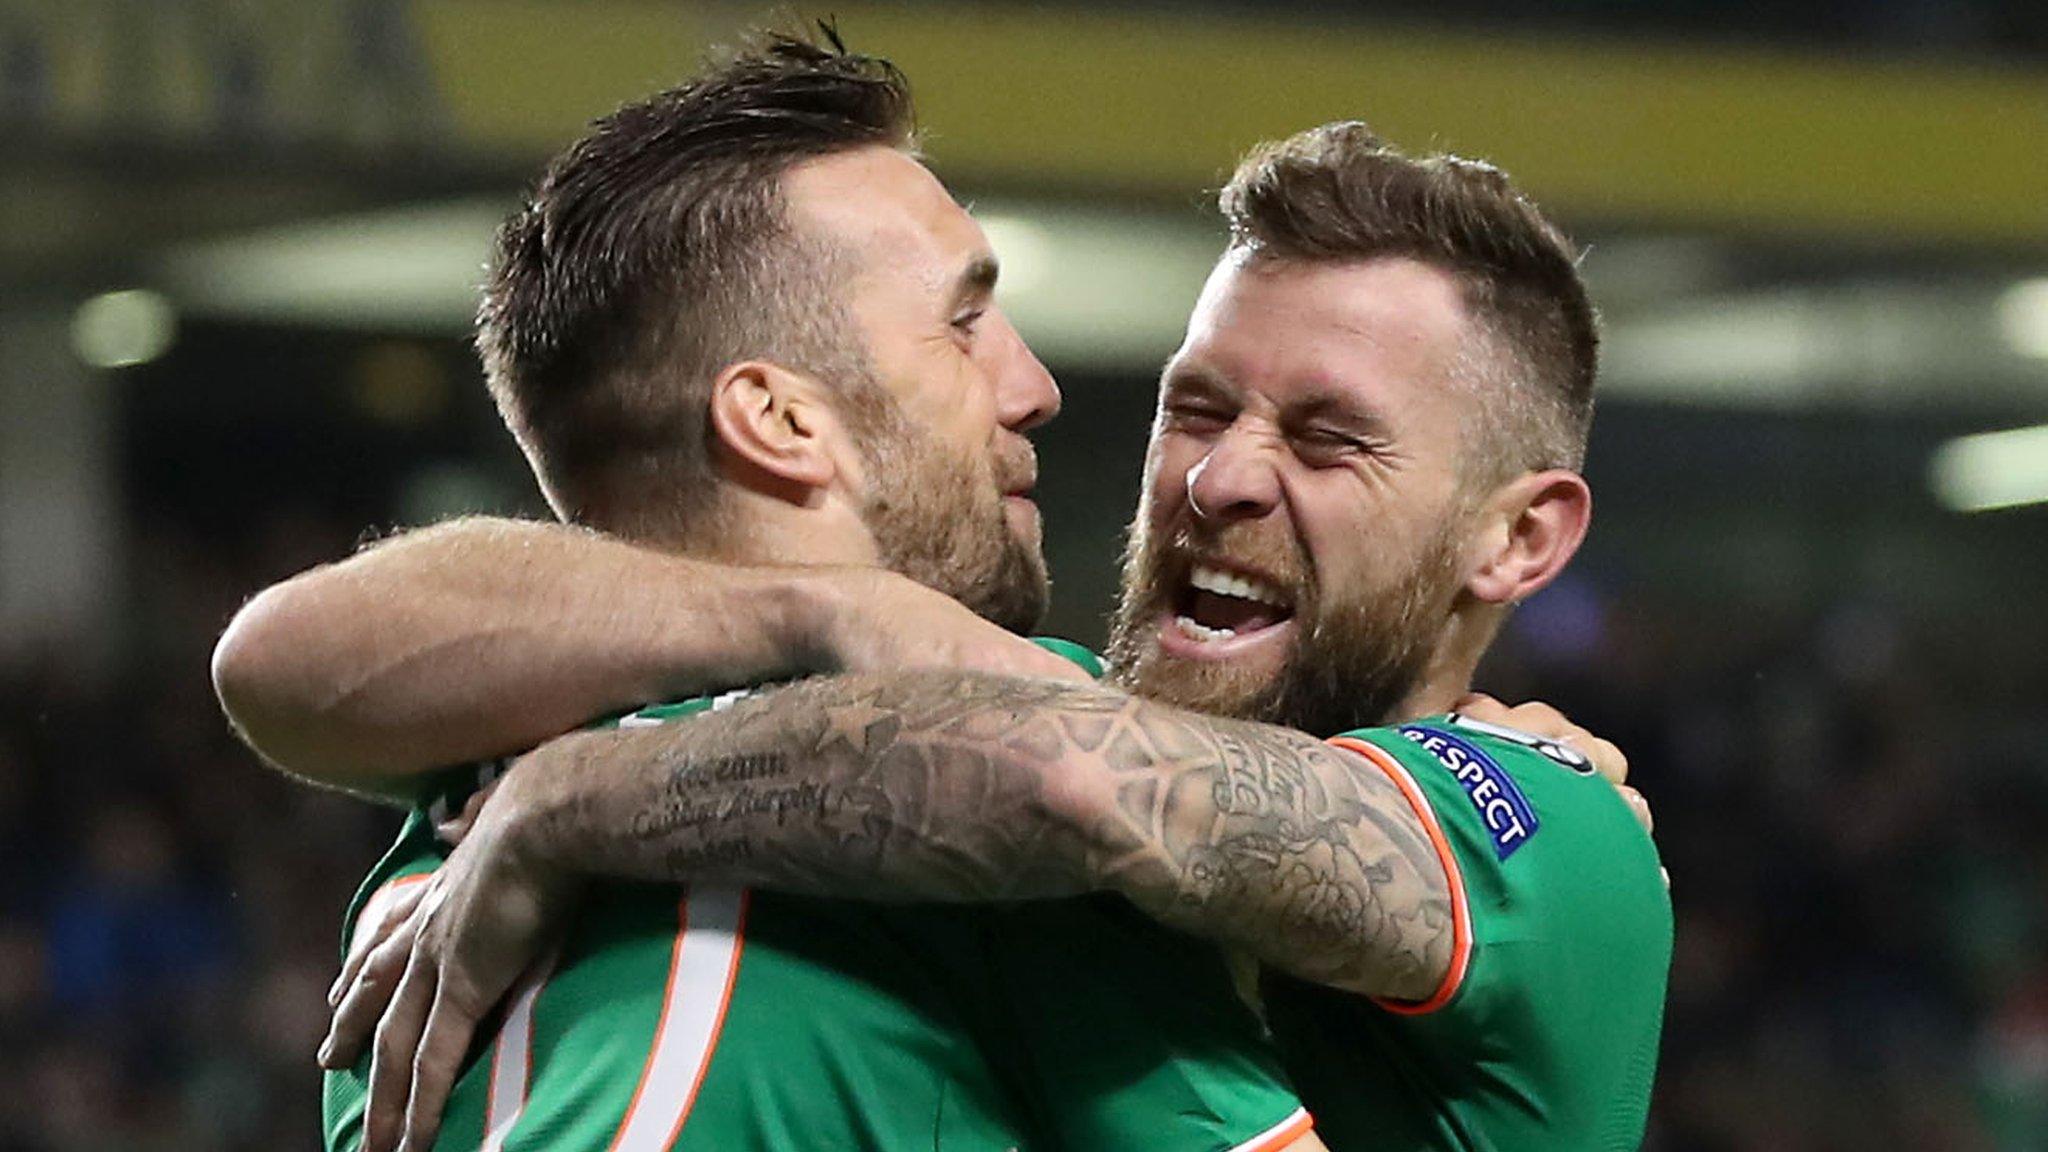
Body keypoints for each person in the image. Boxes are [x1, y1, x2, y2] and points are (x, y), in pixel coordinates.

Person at [215, 29, 1669, 1152]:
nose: (1213, 479)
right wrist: (822, 617)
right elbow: (277, 656)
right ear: (780, 418)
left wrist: (573, 803)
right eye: (1195, 406)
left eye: (1329, 437)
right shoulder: (885, 802)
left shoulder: (1546, 825)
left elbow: (1070, 780)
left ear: (1518, 540)